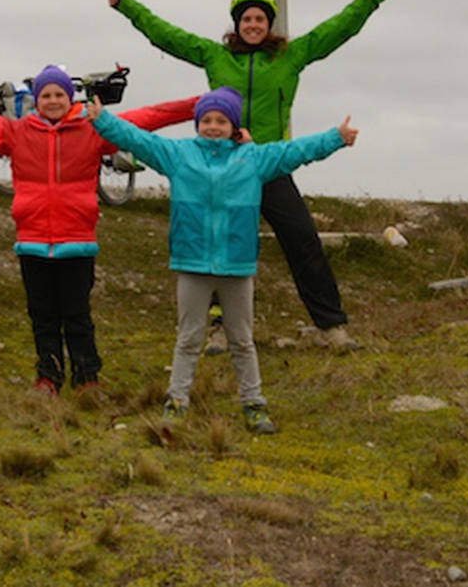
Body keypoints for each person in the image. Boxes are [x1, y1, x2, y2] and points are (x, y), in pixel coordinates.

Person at [108, 0, 391, 349]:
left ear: (268, 24)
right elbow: (167, 36)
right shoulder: (215, 55)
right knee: (222, 246)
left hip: (269, 165)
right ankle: (220, 329)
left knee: (303, 240)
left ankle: (331, 327)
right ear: (237, 25)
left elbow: (337, 29)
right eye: (246, 20)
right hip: (224, 168)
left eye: (260, 19)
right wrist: (127, 5)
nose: (253, 25)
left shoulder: (291, 55)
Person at [0, 67, 196, 396]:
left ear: (69, 98)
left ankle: (87, 379)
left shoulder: (94, 128)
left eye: (59, 95)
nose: (53, 101)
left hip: (77, 243)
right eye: (46, 95)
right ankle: (48, 377)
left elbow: (149, 116)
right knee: (42, 315)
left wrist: (197, 105)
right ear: (36, 100)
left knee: (77, 315)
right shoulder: (15, 132)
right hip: (32, 243)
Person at [90, 88, 358, 432]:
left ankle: (254, 405)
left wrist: (336, 137)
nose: (213, 126)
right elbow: (139, 140)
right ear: (197, 124)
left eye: (221, 120)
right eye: (206, 120)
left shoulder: (254, 159)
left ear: (234, 127)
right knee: (188, 338)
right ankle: (177, 401)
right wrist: (103, 120)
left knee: (242, 341)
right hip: (192, 264)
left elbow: (296, 151)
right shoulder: (178, 155)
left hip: (238, 265)